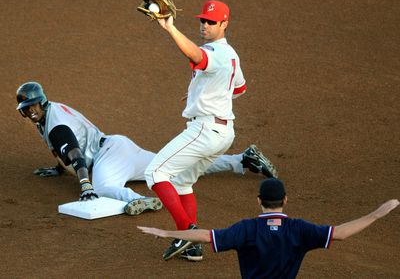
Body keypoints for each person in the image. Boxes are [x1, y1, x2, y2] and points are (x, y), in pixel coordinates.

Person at [16, 81, 277, 216]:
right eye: (27, 109)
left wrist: (85, 184)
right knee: (173, 171)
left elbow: (72, 151)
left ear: (42, 101)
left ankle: (137, 200)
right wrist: (57, 168)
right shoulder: (52, 112)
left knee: (102, 188)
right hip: (120, 147)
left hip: (108, 159)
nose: (31, 111)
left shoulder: (54, 124)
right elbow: (66, 147)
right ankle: (242, 160)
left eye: (34, 106)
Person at [143, 0, 249, 261]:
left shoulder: (216, 52)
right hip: (223, 132)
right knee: (183, 182)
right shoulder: (232, 55)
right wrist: (199, 94)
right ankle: (192, 247)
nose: (205, 25)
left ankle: (187, 231)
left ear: (225, 24)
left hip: (206, 130)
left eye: (211, 22)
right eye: (203, 20)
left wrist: (170, 28)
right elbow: (238, 89)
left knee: (155, 172)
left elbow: (196, 56)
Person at [138, 178, 399, 278]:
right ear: (285, 200)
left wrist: (169, 233)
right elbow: (340, 233)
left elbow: (206, 236)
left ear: (259, 201)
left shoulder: (247, 229)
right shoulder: (299, 229)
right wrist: (375, 214)